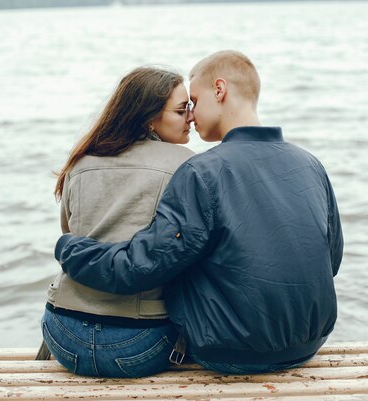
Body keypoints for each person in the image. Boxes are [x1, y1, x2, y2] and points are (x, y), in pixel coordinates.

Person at [54, 50, 344, 375]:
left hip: (226, 351)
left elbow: (144, 264)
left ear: (219, 90)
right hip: (309, 343)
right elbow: (331, 260)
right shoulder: (310, 164)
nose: (191, 115)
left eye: (194, 99)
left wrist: (69, 248)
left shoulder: (201, 171)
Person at [40, 66, 194, 378]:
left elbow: (70, 237)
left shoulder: (80, 162)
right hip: (139, 345)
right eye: (182, 109)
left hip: (62, 337)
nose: (191, 116)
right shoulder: (185, 164)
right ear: (148, 116)